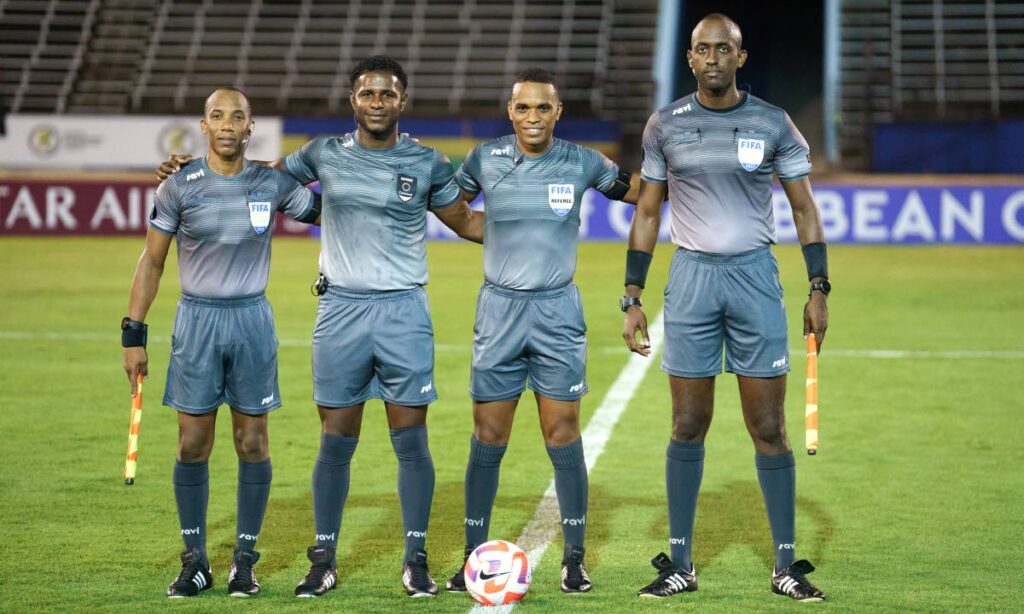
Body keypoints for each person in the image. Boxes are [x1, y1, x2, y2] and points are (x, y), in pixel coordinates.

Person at [159, 55, 483, 598]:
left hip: (404, 310)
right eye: (366, 94)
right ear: (352, 100)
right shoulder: (322, 154)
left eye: (386, 94)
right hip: (340, 314)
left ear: (403, 101)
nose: (376, 102)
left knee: (412, 441)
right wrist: (188, 168)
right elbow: (249, 178)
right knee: (336, 441)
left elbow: (467, 221)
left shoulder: (427, 163)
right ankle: (323, 559)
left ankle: (416, 559)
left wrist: (530, 226)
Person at [622, 13, 829, 602]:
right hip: (691, 281)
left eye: (724, 49)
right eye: (702, 49)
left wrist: (819, 285)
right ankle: (680, 565)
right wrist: (632, 297)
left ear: (741, 57)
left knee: (769, 427)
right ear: (689, 59)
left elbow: (804, 209)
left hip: (754, 280)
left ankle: (785, 566)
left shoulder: (772, 122)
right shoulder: (665, 126)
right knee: (688, 424)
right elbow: (647, 213)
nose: (713, 58)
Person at [443, 68, 639, 594]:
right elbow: (454, 208)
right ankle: (471, 556)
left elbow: (638, 193)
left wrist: (683, 173)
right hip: (499, 311)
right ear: (510, 112)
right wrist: (496, 228)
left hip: (557, 312)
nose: (533, 117)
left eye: (543, 108)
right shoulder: (484, 159)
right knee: (489, 434)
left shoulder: (581, 162)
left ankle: (574, 558)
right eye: (523, 108)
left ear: (558, 113)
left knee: (563, 433)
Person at [123, 87, 320, 598]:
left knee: (252, 443)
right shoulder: (179, 186)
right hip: (198, 322)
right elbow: (152, 262)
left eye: (238, 116)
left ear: (250, 126)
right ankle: (195, 561)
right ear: (204, 126)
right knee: (193, 444)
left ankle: (245, 562)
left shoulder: (270, 182)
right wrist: (134, 333)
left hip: (252, 321)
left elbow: (324, 212)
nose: (228, 124)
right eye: (218, 116)